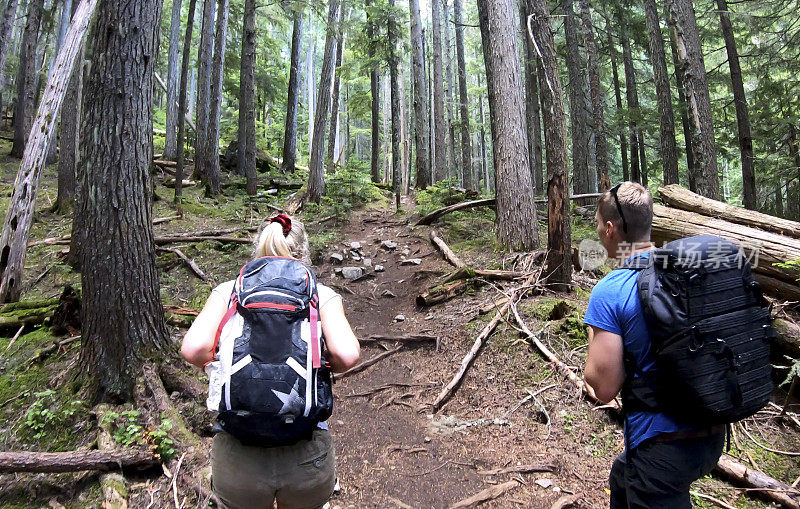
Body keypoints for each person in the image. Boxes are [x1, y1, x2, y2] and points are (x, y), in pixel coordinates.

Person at [181, 215, 360, 509]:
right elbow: (347, 355)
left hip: (238, 455)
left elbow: (193, 349)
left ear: (257, 250)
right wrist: (322, 364)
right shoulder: (320, 294)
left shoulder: (229, 291)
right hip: (305, 453)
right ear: (304, 252)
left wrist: (220, 364)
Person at [583, 182, 724, 508]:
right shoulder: (686, 270)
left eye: (597, 227)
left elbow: (603, 388)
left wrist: (594, 332)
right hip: (712, 432)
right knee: (622, 478)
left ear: (609, 229)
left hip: (663, 447)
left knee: (646, 479)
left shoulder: (611, 290)